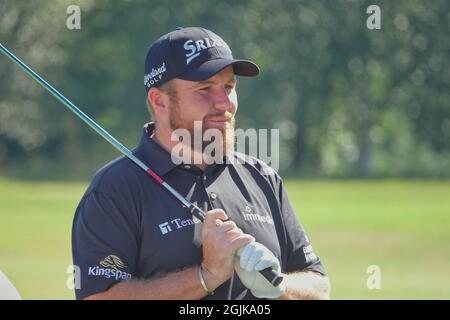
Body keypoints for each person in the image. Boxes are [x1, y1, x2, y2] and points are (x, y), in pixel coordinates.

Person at [72, 27, 330, 300]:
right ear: (159, 101)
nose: (224, 103)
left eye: (229, 87)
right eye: (205, 89)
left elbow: (320, 286)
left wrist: (280, 287)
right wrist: (205, 276)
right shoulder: (114, 189)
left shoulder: (262, 177)